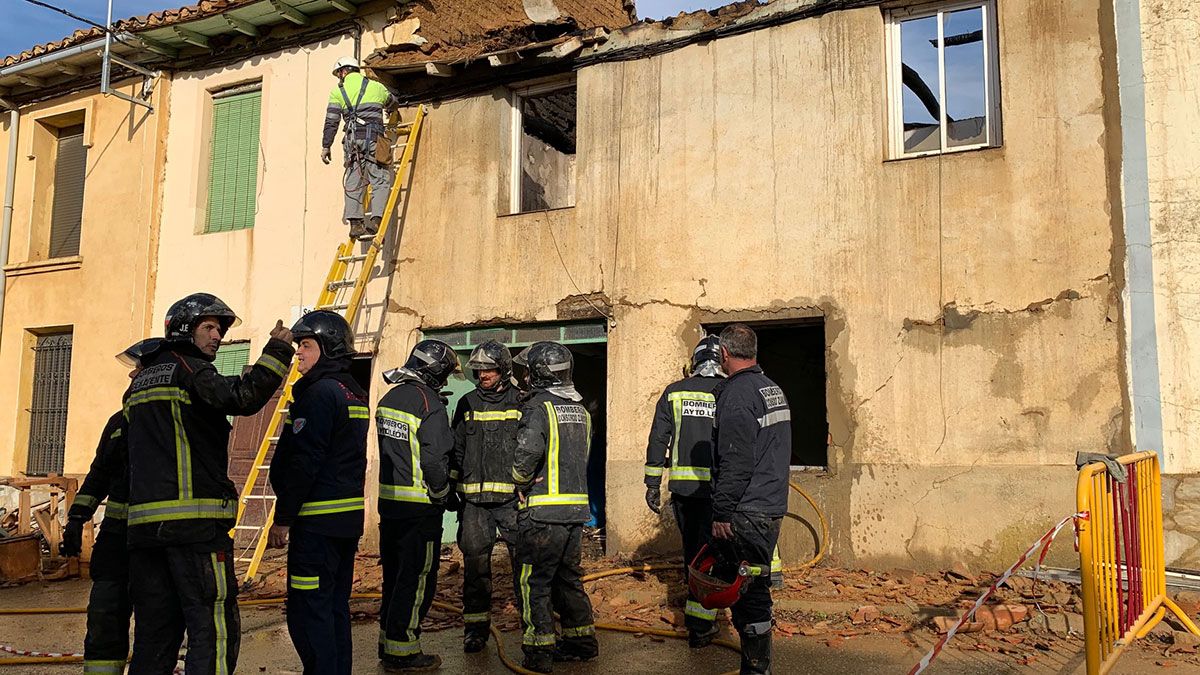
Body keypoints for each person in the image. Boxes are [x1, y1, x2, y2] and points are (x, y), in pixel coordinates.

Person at [125, 293, 294, 675]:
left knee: (156, 633)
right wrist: (277, 353)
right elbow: (242, 396)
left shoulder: (141, 380)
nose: (217, 336)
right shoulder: (191, 368)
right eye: (209, 327)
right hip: (195, 528)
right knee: (213, 626)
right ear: (184, 328)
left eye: (219, 329)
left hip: (145, 534)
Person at [267, 311, 369, 675]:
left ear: (328, 349)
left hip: (315, 526)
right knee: (334, 607)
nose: (298, 354)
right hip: (343, 525)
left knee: (308, 609)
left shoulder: (320, 394)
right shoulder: (351, 392)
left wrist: (283, 519)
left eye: (305, 346)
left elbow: (305, 461)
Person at [61, 338, 162, 674]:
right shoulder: (118, 423)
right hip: (116, 539)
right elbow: (99, 474)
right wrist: (77, 518)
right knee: (104, 613)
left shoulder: (168, 422)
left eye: (140, 369)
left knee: (155, 621)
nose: (132, 376)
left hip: (156, 540)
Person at [709, 324, 792, 675]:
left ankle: (756, 670)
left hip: (746, 510)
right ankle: (757, 666)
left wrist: (722, 511)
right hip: (770, 506)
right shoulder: (772, 388)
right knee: (753, 586)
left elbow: (736, 460)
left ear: (725, 354)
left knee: (749, 594)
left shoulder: (738, 394)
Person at [511, 341, 597, 674]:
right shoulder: (580, 409)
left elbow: (527, 455)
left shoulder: (538, 407)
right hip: (575, 512)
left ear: (540, 374)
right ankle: (582, 642)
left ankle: (539, 650)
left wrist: (518, 481)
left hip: (543, 513)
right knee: (569, 579)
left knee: (534, 582)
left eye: (529, 371)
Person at [375, 339, 458, 671]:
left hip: (390, 505)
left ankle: (388, 641)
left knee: (394, 576)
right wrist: (442, 495)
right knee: (418, 577)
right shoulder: (429, 403)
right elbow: (435, 460)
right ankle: (404, 652)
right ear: (435, 371)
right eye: (447, 374)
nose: (448, 381)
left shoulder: (390, 397)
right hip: (419, 508)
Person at [644, 334, 724, 647]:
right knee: (718, 555)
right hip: (720, 492)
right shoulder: (728, 390)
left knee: (693, 554)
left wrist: (652, 483)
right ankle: (706, 622)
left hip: (684, 492)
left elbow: (657, 439)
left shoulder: (674, 392)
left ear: (694, 361)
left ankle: (699, 626)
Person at [450, 340, 524, 652]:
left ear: (504, 370)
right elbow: (456, 450)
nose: (483, 374)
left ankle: (532, 626)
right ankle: (475, 630)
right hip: (474, 505)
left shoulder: (522, 401)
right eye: (479, 369)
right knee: (475, 569)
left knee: (525, 564)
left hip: (512, 503)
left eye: (489, 369)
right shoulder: (465, 403)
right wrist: (450, 493)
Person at [321, 56, 399, 240]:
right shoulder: (376, 87)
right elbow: (392, 102)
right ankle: (377, 219)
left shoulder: (337, 92)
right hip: (374, 139)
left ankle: (355, 224)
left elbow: (331, 122)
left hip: (352, 142)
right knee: (379, 178)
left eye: (339, 74)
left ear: (343, 71)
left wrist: (326, 146)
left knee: (354, 180)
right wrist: (392, 110)